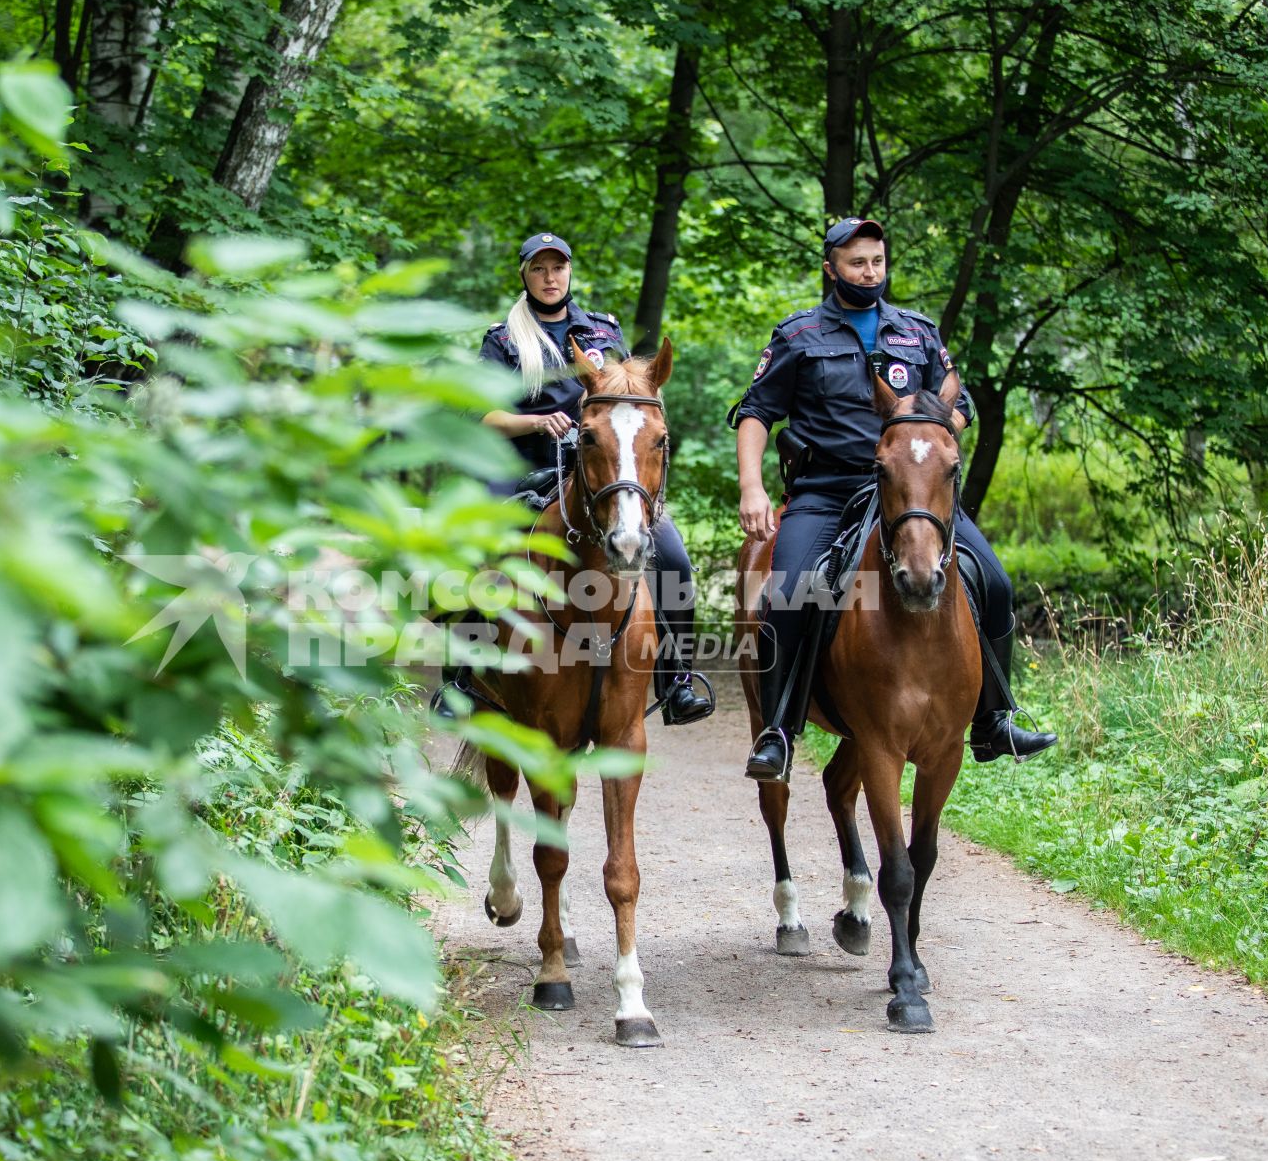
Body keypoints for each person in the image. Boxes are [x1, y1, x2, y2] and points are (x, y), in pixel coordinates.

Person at [731, 216, 1056, 781]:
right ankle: (779, 729)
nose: (869, 272)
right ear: (831, 267)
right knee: (786, 591)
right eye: (857, 262)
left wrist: (929, 425)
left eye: (877, 261)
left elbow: (962, 407)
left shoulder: (918, 332)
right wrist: (752, 487)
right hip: (826, 490)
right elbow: (757, 411)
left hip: (913, 490)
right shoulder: (798, 335)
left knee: (996, 582)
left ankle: (994, 721)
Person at [431, 231, 714, 726]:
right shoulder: (502, 340)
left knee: (672, 557)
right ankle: (462, 680)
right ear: (524, 274)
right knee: (480, 552)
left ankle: (678, 678)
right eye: (538, 269)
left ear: (569, 272)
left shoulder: (603, 331)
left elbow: (631, 399)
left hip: (596, 471)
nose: (549, 278)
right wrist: (536, 422)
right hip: (519, 467)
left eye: (557, 268)